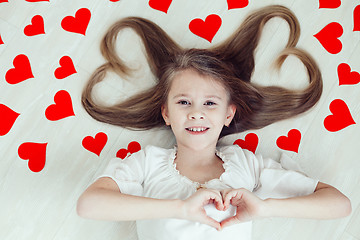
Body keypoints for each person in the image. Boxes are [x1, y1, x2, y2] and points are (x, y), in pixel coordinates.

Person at [77, 5, 351, 240]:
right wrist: (179, 209)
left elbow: (340, 205)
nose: (196, 113)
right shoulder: (147, 163)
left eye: (210, 103)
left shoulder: (247, 165)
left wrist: (266, 208)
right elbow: (88, 205)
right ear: (166, 113)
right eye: (184, 102)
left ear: (228, 115)